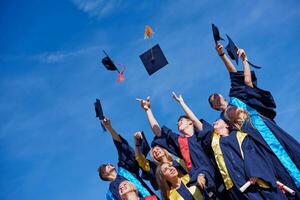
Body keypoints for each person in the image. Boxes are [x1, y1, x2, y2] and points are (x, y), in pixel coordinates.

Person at [208, 44, 300, 196]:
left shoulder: (235, 96)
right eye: (213, 101)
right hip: (254, 137)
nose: (215, 99)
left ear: (221, 95)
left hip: (265, 125)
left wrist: (234, 58)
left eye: (215, 96)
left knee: (290, 151)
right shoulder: (223, 119)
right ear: (214, 107)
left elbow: (243, 80)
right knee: (278, 165)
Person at [137, 93, 222, 199]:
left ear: (190, 123)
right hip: (203, 188)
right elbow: (159, 133)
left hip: (222, 176)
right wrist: (148, 110)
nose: (178, 123)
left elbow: (195, 121)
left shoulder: (202, 135)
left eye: (181, 121)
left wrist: (182, 103)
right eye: (177, 123)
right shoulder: (180, 142)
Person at [201, 118, 288, 200]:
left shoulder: (241, 136)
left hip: (254, 180)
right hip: (237, 185)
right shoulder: (214, 144)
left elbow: (252, 154)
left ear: (227, 124)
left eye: (217, 121)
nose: (213, 123)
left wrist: (254, 172)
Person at [97, 117, 156, 200]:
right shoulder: (110, 194)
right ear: (104, 174)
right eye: (106, 166)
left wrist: (109, 128)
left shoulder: (124, 171)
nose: (109, 164)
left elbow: (121, 147)